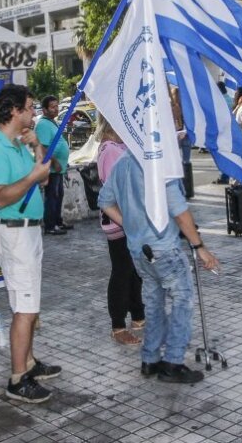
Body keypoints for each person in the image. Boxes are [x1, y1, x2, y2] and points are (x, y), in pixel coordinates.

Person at [97, 150, 220, 384]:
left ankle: (150, 359)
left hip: (138, 248)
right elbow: (180, 212)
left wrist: (131, 225)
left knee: (153, 303)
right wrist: (199, 246)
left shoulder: (122, 161)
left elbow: (104, 201)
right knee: (182, 300)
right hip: (164, 247)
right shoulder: (161, 163)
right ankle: (173, 362)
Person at [0, 83, 58, 404]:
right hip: (13, 234)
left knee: (30, 303)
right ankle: (17, 378)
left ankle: (30, 362)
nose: (33, 112)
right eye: (29, 107)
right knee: (25, 308)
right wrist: (32, 178)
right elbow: (0, 197)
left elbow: (45, 176)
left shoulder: (18, 143)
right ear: (13, 111)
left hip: (29, 232)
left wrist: (36, 146)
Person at [95, 120, 145, 345]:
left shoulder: (118, 147)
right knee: (122, 272)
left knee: (133, 270)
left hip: (127, 219)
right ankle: (118, 325)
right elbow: (117, 189)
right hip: (120, 220)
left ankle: (138, 315)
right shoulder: (110, 150)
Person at [35, 95, 70, 235]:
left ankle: (57, 221)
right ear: (44, 109)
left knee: (58, 195)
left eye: (57, 106)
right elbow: (43, 147)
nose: (56, 109)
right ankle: (50, 225)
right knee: (52, 196)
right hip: (51, 167)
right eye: (52, 107)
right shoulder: (43, 124)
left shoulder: (51, 122)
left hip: (58, 168)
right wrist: (55, 162)